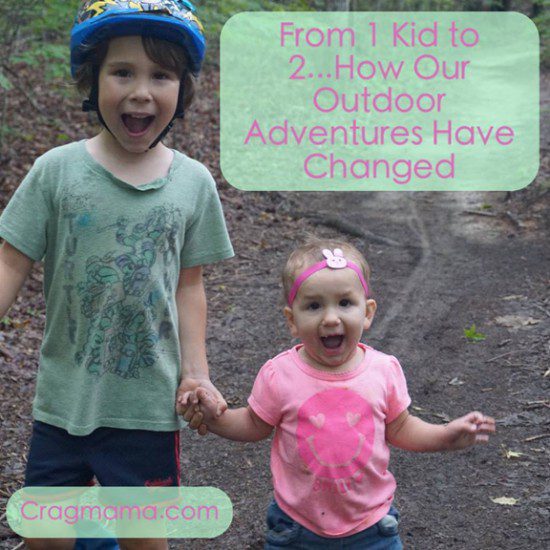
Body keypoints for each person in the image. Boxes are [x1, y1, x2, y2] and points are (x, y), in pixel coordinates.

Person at [0, 1, 232, 549]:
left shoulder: (193, 183)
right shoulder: (55, 171)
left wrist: (195, 373)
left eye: (161, 74)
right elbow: (11, 260)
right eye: (122, 71)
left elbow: (189, 285)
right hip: (64, 402)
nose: (141, 91)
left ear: (182, 90)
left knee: (143, 537)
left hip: (147, 410)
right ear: (92, 79)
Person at [180, 238, 496, 549]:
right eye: (314, 306)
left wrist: (446, 435)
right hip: (297, 528)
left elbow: (400, 428)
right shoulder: (280, 374)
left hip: (372, 528)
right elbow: (254, 423)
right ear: (292, 319)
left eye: (345, 303)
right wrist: (216, 419)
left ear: (368, 312)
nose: (331, 318)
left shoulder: (383, 370)